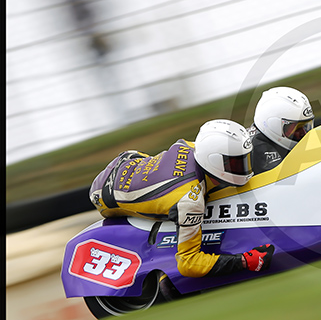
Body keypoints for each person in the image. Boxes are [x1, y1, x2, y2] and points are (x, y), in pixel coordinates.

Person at [88, 119, 274, 278]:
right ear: (216, 162)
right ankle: (161, 272)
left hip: (129, 160)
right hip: (105, 194)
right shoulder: (189, 200)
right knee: (179, 214)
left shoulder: (194, 146)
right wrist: (243, 261)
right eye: (237, 162)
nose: (245, 167)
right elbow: (188, 263)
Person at [249, 87, 315, 174]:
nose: (304, 133)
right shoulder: (259, 149)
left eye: (306, 126)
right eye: (296, 129)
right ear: (274, 125)